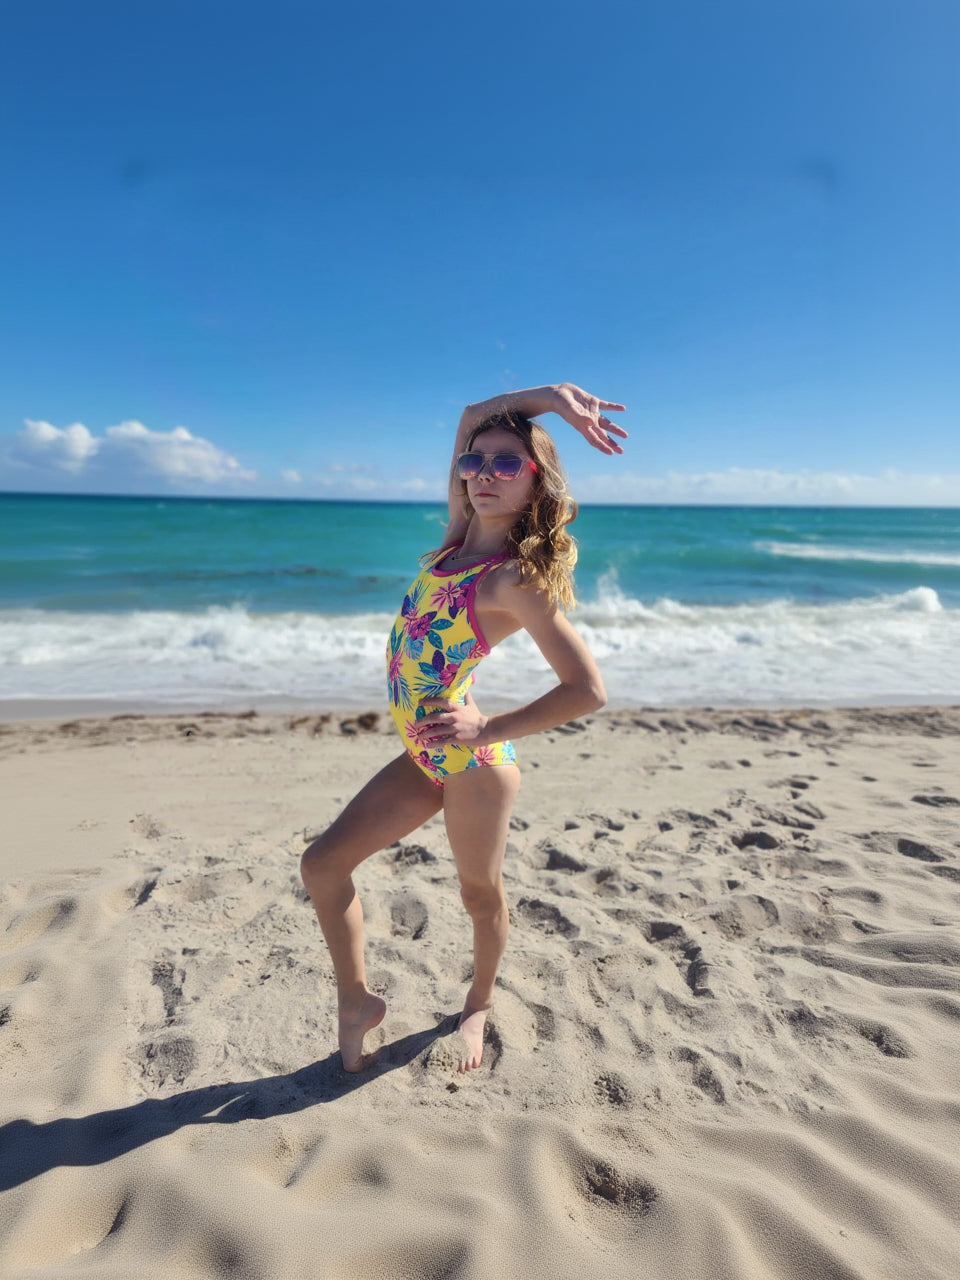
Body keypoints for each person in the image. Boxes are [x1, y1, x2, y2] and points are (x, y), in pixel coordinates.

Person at [300, 383, 627, 1073]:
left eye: (506, 465)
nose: (483, 475)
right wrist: (550, 398)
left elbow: (587, 690)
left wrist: (489, 728)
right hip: (424, 756)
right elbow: (472, 418)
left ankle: (477, 1004)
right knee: (322, 864)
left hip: (474, 766)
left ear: (534, 481)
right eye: (474, 464)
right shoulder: (455, 538)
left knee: (479, 894)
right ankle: (357, 1000)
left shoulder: (512, 580)